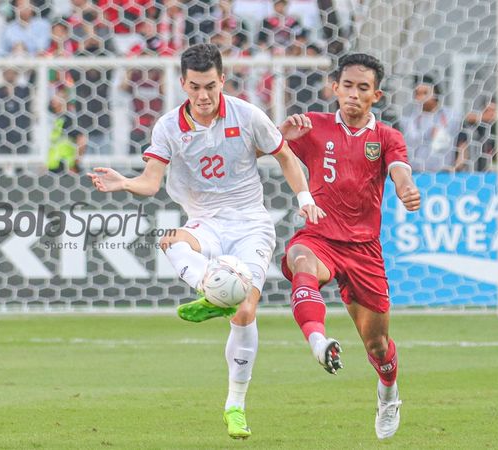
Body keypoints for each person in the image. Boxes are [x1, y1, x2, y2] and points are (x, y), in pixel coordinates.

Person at [87, 43, 325, 440]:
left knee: (246, 312)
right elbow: (150, 182)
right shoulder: (167, 127)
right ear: (182, 83)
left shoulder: (247, 115)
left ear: (222, 81)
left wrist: (305, 199)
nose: (203, 95)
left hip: (250, 224)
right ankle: (211, 290)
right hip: (205, 222)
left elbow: (285, 156)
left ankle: (235, 404)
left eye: (210, 86)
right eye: (195, 87)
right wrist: (125, 182)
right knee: (167, 238)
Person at [278, 53, 420, 440]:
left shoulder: (387, 137)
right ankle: (319, 342)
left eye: (363, 88)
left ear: (377, 95)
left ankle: (388, 393)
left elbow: (399, 170)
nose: (353, 94)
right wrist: (281, 135)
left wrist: (406, 189)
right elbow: (266, 148)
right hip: (319, 235)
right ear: (334, 88)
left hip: (363, 250)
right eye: (347, 86)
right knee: (300, 258)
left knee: (377, 345)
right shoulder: (313, 126)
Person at [401, 78, 464, 172]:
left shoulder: (452, 116)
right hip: (416, 173)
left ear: (436, 94)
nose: (420, 97)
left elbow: (463, 142)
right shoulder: (408, 119)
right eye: (417, 93)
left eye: (425, 93)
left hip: (444, 173)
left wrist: (458, 166)